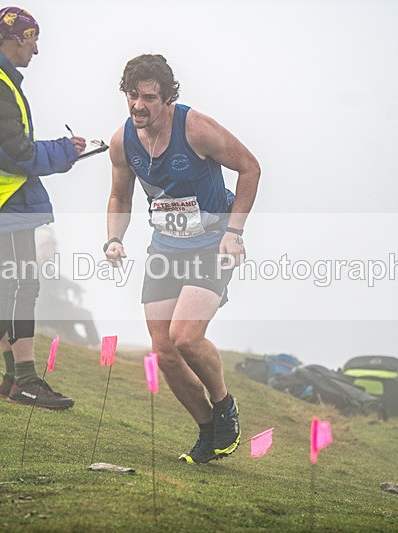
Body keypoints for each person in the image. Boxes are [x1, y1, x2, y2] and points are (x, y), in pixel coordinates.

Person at [103, 54, 261, 464]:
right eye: (132, 95)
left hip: (212, 244)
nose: (138, 105)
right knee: (163, 352)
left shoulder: (194, 128)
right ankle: (209, 430)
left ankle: (224, 404)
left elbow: (250, 168)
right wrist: (114, 239)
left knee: (185, 337)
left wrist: (234, 232)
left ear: (167, 98)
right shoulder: (122, 141)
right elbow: (120, 195)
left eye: (149, 98)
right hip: (166, 248)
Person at [0, 7, 86, 410]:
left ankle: (13, 377)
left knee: (9, 283)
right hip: (2, 198)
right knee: (23, 284)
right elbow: (16, 153)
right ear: (15, 40)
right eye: (32, 40)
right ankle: (26, 379)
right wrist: (65, 151)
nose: (37, 50)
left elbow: (8, 146)